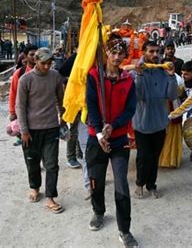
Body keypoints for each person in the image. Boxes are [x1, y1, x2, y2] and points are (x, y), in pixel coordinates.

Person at [85, 34, 138, 247]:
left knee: (121, 186)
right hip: (95, 139)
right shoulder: (93, 76)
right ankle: (99, 211)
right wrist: (99, 132)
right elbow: (91, 105)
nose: (116, 57)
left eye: (120, 54)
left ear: (125, 56)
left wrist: (113, 126)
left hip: (118, 140)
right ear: (106, 53)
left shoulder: (128, 80)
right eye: (113, 53)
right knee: (95, 182)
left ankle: (124, 230)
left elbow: (130, 110)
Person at [15, 47, 65, 213]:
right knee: (32, 162)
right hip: (31, 130)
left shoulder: (55, 76)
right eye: (43, 63)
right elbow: (20, 107)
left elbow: (60, 99)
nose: (46, 66)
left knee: (52, 164)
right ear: (35, 61)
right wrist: (24, 130)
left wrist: (63, 117)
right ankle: (35, 187)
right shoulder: (25, 80)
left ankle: (50, 197)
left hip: (51, 127)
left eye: (49, 63)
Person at [133, 41, 178, 199]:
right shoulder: (136, 71)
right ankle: (139, 183)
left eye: (157, 51)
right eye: (151, 51)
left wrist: (172, 76)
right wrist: (139, 76)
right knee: (143, 157)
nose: (155, 55)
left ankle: (152, 185)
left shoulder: (164, 71)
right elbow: (137, 96)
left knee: (155, 156)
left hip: (160, 123)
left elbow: (171, 96)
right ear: (143, 52)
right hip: (142, 124)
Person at [168, 61, 192, 164]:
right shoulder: (187, 81)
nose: (183, 76)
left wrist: (170, 116)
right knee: (190, 133)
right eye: (182, 73)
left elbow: (186, 106)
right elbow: (180, 91)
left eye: (186, 74)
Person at [8, 44, 38, 146]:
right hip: (24, 111)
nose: (34, 57)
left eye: (36, 54)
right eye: (31, 54)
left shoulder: (45, 72)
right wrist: (12, 112)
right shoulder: (19, 73)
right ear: (25, 56)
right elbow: (13, 92)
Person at [58, 52, 82, 169]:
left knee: (82, 127)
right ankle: (71, 156)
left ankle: (79, 152)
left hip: (85, 97)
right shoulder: (77, 56)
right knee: (74, 128)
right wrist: (71, 80)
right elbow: (61, 71)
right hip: (75, 98)